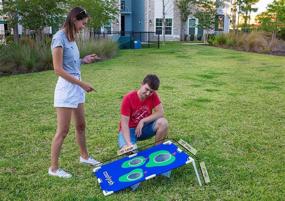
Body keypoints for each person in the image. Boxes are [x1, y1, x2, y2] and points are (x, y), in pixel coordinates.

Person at [49, 7, 100, 178]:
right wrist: (82, 84)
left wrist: (83, 60)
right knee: (63, 130)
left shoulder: (71, 38)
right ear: (74, 19)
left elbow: (71, 63)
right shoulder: (59, 38)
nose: (83, 26)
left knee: (81, 125)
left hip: (76, 86)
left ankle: (84, 157)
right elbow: (58, 69)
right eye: (83, 23)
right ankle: (54, 169)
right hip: (66, 88)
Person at [118, 74, 169, 151]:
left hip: (144, 128)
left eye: (151, 92)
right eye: (146, 89)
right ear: (142, 84)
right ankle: (129, 145)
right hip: (129, 130)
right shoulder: (128, 98)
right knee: (130, 152)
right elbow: (124, 124)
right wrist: (129, 144)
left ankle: (157, 150)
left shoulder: (153, 95)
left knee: (163, 122)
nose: (148, 94)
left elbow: (160, 112)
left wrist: (143, 121)